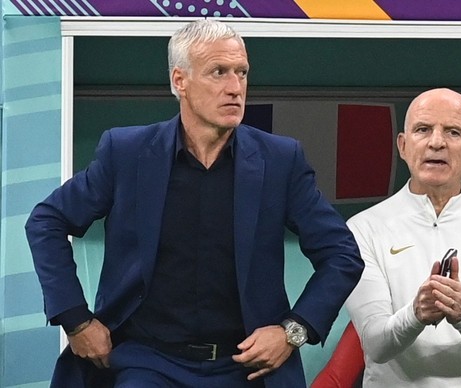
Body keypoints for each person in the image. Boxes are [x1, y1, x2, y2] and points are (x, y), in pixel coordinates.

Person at [25, 19, 363, 388]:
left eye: (242, 72)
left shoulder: (280, 160)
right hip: (146, 360)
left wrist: (292, 331)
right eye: (218, 72)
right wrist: (76, 320)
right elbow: (47, 221)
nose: (235, 88)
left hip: (245, 364)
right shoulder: (127, 152)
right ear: (179, 81)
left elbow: (342, 255)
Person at [345, 88, 461, 387]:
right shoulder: (363, 229)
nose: (436, 142)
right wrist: (417, 313)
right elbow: (376, 345)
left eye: (453, 132)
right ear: (403, 146)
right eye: (423, 129)